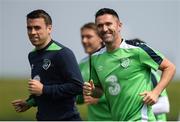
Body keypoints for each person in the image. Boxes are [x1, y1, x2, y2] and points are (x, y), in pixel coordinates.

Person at [83, 8, 176, 121]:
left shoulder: (137, 50)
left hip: (141, 118)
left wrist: (156, 92)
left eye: (108, 24)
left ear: (119, 25)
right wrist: (93, 91)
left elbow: (169, 67)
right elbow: (99, 91)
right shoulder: (95, 58)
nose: (104, 29)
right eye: (100, 25)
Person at [11, 9, 83, 121]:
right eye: (29, 28)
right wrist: (30, 102)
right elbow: (45, 86)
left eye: (37, 28)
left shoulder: (62, 53)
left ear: (49, 29)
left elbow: (77, 86)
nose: (33, 32)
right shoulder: (32, 55)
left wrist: (44, 89)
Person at [76, 22, 112, 120]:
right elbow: (78, 98)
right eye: (82, 37)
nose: (84, 40)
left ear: (101, 38)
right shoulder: (81, 65)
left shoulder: (111, 60)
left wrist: (99, 97)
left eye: (89, 37)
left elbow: (124, 91)